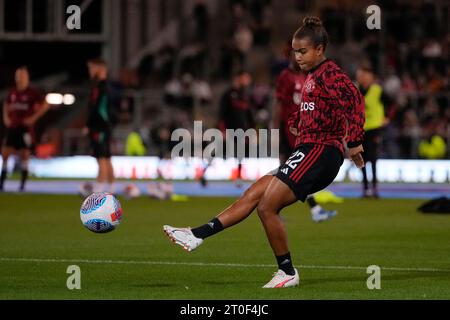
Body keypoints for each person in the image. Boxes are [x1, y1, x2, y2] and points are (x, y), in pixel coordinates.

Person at [163, 17, 365, 288]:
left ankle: (287, 271)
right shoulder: (312, 77)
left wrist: (354, 142)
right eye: (295, 51)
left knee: (268, 207)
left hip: (321, 151)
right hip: (308, 150)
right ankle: (196, 235)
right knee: (253, 193)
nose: (298, 56)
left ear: (320, 48)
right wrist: (295, 123)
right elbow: (315, 111)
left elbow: (354, 100)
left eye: (303, 51)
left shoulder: (330, 73)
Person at [274, 44, 337, 222]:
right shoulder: (285, 76)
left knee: (287, 172)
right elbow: (279, 104)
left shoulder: (307, 77)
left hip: (303, 131)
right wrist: (276, 128)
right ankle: (313, 209)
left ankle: (276, 208)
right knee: (293, 171)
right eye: (296, 54)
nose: (299, 58)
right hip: (288, 130)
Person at [0, 66, 49, 192]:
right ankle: (2, 184)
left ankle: (22, 185)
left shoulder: (32, 93)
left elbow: (45, 105)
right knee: (5, 154)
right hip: (12, 127)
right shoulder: (13, 92)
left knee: (25, 155)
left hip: (25, 128)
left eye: (22, 75)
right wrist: (6, 117)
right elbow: (6, 104)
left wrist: (34, 118)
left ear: (27, 77)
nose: (19, 78)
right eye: (18, 75)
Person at [82, 58, 115, 195]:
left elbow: (97, 109)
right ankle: (111, 190)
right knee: (106, 157)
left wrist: (89, 125)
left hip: (99, 127)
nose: (90, 71)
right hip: (104, 127)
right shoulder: (106, 86)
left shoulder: (100, 87)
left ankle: (98, 191)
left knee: (101, 157)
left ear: (100, 68)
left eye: (92, 68)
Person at [356, 61, 387, 198]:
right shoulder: (356, 90)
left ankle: (374, 188)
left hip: (374, 128)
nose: (362, 77)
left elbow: (393, 104)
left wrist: (387, 118)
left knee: (373, 159)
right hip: (360, 129)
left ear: (371, 77)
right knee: (361, 159)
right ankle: (365, 188)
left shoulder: (377, 90)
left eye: (364, 75)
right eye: (361, 75)